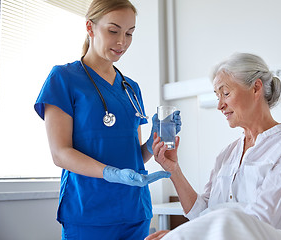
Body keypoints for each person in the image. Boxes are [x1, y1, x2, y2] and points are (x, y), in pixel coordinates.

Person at [34, 0, 181, 239]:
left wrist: (155, 140)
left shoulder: (131, 88)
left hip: (135, 211)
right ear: (90, 28)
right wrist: (111, 173)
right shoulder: (63, 78)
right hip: (89, 212)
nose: (122, 42)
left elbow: (135, 155)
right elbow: (60, 153)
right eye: (113, 31)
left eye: (129, 33)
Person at [146, 53, 281, 239]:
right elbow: (202, 214)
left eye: (225, 93)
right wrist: (174, 170)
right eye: (217, 96)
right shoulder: (227, 154)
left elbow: (263, 222)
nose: (220, 105)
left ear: (256, 88)